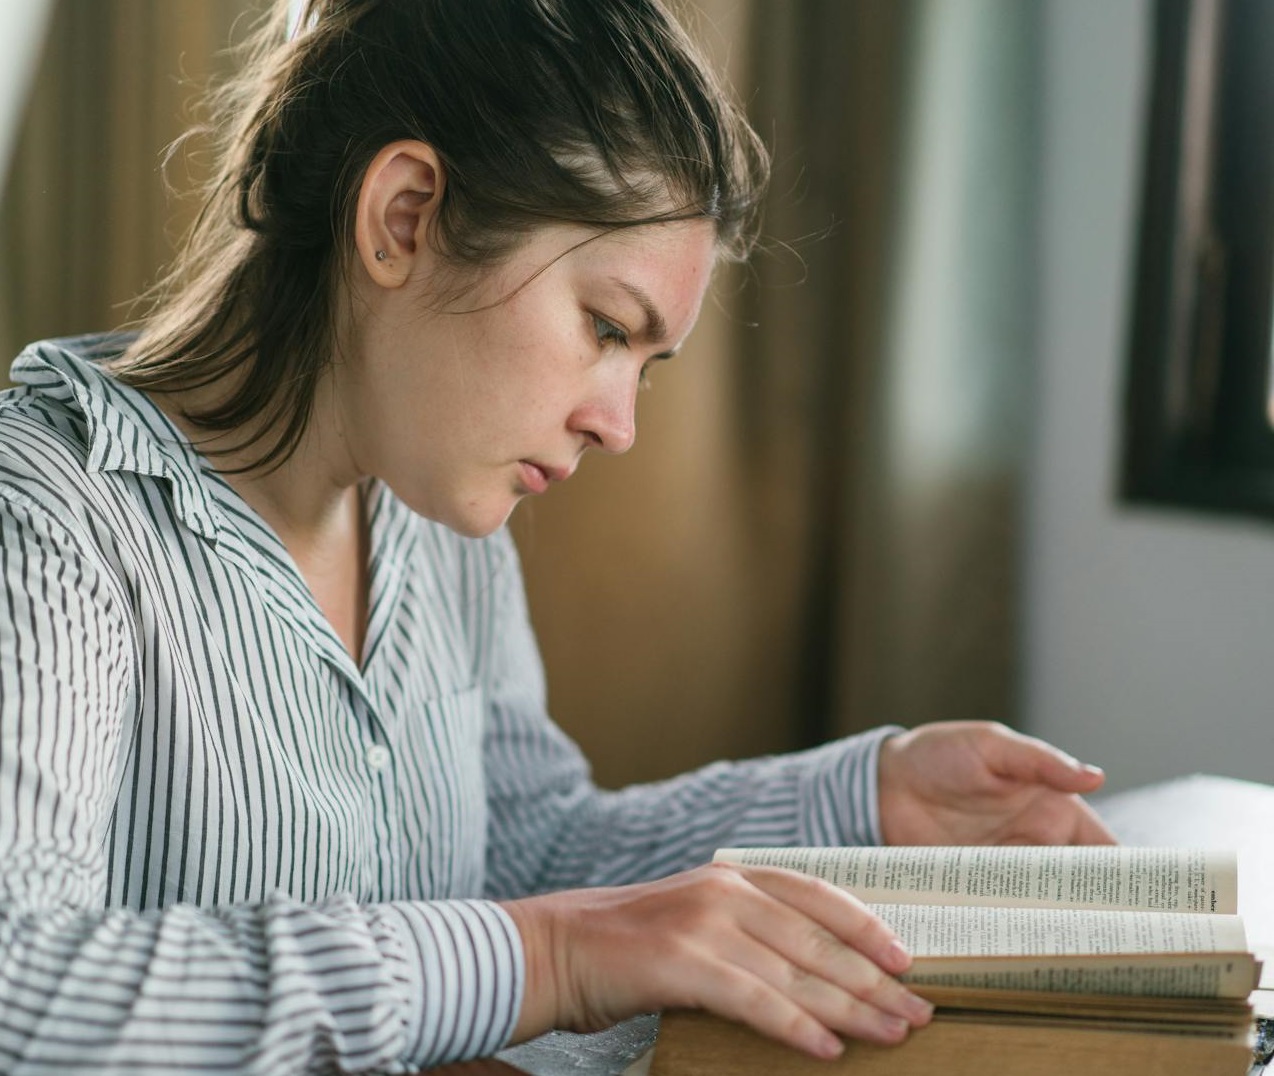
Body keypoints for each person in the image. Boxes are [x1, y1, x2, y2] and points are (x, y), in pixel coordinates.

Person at [0, 0, 1114, 1072]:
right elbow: (18, 993)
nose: (616, 424)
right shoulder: (46, 516)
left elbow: (524, 851)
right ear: (403, 217)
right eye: (601, 326)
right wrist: (551, 955)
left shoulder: (438, 511)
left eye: (643, 362)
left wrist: (865, 797)